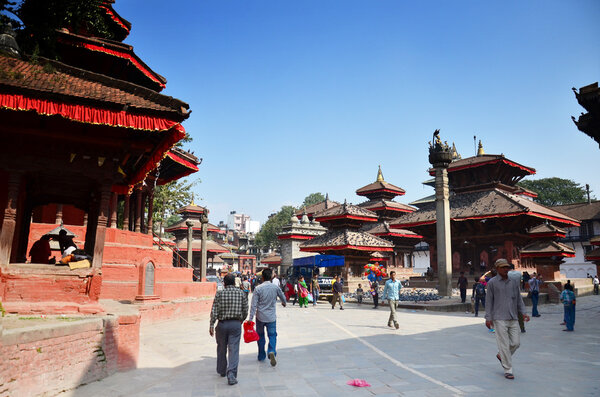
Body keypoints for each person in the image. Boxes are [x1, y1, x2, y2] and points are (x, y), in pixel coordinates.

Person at [485, 258, 530, 380]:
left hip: (513, 316)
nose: (506, 269)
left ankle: (501, 356)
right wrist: (488, 318)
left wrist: (524, 313)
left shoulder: (513, 283)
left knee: (516, 343)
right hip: (499, 318)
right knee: (504, 344)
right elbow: (488, 301)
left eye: (507, 267)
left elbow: (519, 300)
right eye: (503, 267)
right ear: (497, 269)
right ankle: (508, 369)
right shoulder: (492, 283)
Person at [209, 273, 248, 386]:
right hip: (235, 324)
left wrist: (211, 325)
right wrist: (241, 319)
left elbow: (214, 310)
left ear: (224, 283)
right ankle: (231, 375)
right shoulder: (241, 293)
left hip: (222, 324)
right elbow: (245, 309)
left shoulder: (220, 293)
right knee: (234, 349)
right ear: (234, 282)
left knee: (221, 347)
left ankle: (222, 370)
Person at [248, 268, 287, 367]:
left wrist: (250, 319)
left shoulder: (258, 288)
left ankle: (261, 355)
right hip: (271, 317)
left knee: (260, 336)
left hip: (260, 316)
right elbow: (283, 297)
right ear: (271, 277)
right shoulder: (275, 287)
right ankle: (271, 351)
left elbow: (253, 305)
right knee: (272, 335)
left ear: (262, 277)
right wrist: (284, 303)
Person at [507, 265, 526, 333]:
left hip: (508, 293)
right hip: (517, 292)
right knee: (519, 311)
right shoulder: (519, 273)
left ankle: (510, 327)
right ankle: (522, 327)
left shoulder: (507, 274)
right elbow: (521, 282)